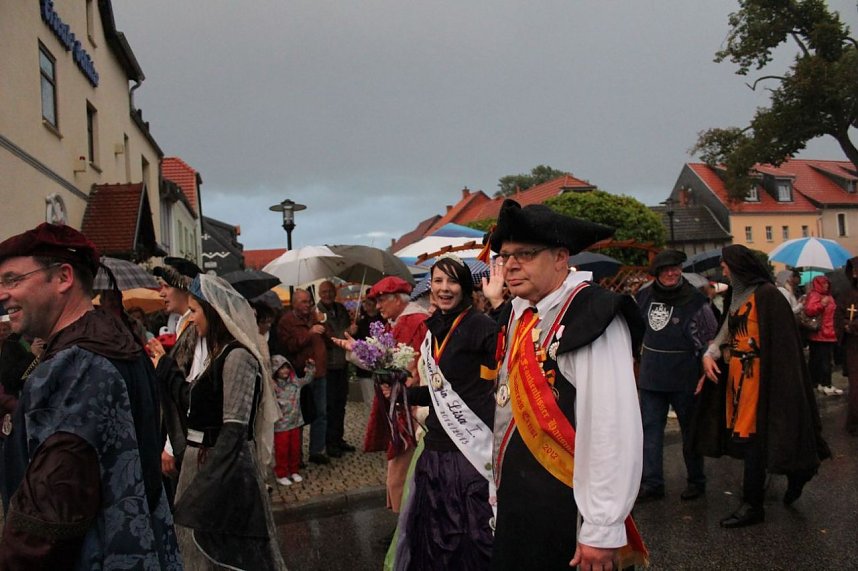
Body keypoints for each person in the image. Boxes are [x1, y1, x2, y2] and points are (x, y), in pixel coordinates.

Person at [0, 223, 180, 568]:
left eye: (13, 280)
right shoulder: (119, 342)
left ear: (63, 277)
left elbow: (51, 515)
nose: (2, 293)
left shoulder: (77, 365)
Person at [482, 200, 647, 571]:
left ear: (560, 258)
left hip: (570, 509)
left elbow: (611, 426)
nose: (509, 264)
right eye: (505, 256)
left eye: (524, 253)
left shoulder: (592, 313)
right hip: (519, 503)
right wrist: (498, 493)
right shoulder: (516, 313)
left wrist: (601, 527)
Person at [697, 245, 830, 528]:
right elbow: (726, 332)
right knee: (749, 440)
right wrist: (710, 354)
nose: (722, 271)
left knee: (759, 439)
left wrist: (782, 382)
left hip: (765, 378)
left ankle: (753, 504)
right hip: (739, 380)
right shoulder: (737, 295)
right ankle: (792, 476)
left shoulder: (769, 296)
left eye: (724, 266)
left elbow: (784, 345)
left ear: (738, 267)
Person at [388, 255, 499, 570]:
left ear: (464, 287)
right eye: (438, 281)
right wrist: (403, 394)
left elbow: (507, 357)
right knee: (434, 542)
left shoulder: (481, 326)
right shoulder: (434, 328)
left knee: (472, 540)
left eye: (452, 281)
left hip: (468, 453)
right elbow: (440, 392)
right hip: (435, 451)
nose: (444, 288)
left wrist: (500, 302)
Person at [172, 274, 284, 570]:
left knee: (227, 555)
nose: (191, 320)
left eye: (195, 312)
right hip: (204, 462)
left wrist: (205, 486)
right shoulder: (217, 354)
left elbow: (233, 430)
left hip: (224, 469)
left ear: (213, 312)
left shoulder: (236, 358)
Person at [635, 250, 717, 503]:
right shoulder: (643, 296)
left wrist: (706, 366)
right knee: (649, 431)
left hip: (685, 374)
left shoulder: (695, 299)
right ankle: (652, 483)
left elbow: (709, 336)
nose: (671, 273)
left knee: (690, 431)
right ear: (657, 273)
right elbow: (635, 330)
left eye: (675, 268)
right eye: (665, 269)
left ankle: (696, 480)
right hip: (651, 375)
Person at [147, 258, 206, 505]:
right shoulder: (184, 324)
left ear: (182, 286)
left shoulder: (197, 329)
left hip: (186, 440)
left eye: (165, 286)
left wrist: (171, 448)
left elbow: (190, 392)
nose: (161, 292)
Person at [277, 288, 330, 464]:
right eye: (303, 301)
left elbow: (328, 339)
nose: (308, 305)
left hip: (320, 372)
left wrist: (324, 322)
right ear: (294, 303)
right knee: (297, 416)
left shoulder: (315, 317)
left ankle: (317, 451)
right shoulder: (286, 321)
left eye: (309, 301)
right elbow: (290, 346)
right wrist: (310, 333)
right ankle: (295, 456)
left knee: (321, 413)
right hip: (299, 374)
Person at [318, 280, 358, 457]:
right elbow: (329, 336)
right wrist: (348, 331)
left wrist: (352, 330)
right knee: (330, 405)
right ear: (320, 293)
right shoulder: (317, 312)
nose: (328, 294)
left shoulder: (340, 309)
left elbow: (347, 331)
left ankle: (339, 439)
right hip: (328, 365)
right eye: (324, 292)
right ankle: (330, 443)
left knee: (341, 404)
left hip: (342, 364)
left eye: (330, 291)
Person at [271, 354, 315, 486]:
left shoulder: (295, 383)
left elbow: (308, 379)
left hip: (295, 422)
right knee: (282, 450)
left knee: (295, 448)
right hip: (281, 425)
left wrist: (310, 366)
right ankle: (281, 473)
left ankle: (294, 470)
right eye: (281, 368)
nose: (284, 371)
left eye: (286, 368)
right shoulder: (274, 387)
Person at [804, 275, 843, 396]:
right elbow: (809, 310)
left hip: (828, 332)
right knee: (825, 360)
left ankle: (817, 383)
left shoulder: (828, 296)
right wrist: (821, 304)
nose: (826, 285)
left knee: (819, 360)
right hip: (821, 333)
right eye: (824, 283)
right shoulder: (815, 295)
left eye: (827, 283)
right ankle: (826, 384)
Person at [835, 256, 858, 436]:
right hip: (853, 347)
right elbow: (838, 317)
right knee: (856, 386)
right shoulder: (845, 294)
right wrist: (845, 325)